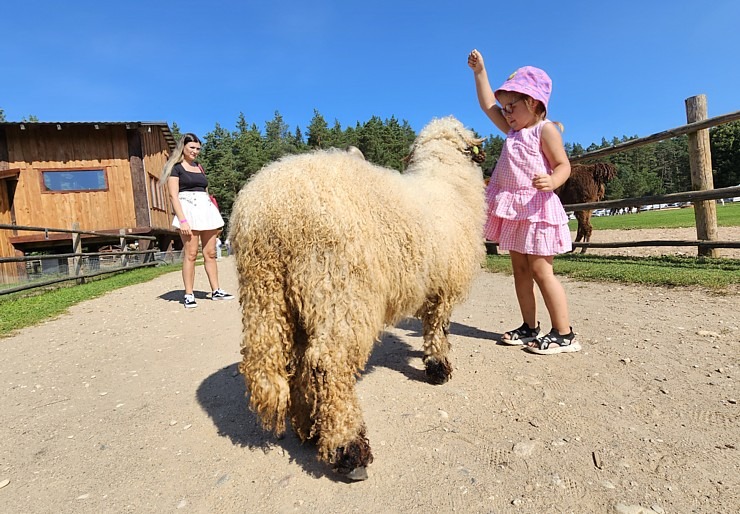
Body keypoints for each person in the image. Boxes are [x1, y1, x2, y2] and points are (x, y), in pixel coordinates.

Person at [468, 49, 580, 355]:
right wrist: (480, 72)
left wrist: (553, 181)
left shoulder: (544, 130)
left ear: (532, 103)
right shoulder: (512, 132)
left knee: (542, 271)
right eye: (505, 109)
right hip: (516, 212)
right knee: (519, 270)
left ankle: (564, 333)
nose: (506, 113)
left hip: (537, 209)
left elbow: (563, 165)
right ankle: (530, 327)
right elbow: (487, 104)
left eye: (511, 106)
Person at [161, 133, 234, 308]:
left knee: (210, 253)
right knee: (191, 254)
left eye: (198, 148)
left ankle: (216, 290)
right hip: (188, 210)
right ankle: (188, 294)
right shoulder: (176, 168)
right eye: (192, 147)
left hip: (205, 209)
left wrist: (214, 215)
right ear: (183, 147)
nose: (195, 151)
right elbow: (173, 195)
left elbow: (206, 191)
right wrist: (183, 220)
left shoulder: (199, 167)